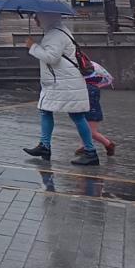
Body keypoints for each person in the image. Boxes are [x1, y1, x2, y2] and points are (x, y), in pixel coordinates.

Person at [22, 12, 97, 165]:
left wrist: (33, 46)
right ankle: (45, 146)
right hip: (62, 82)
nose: (35, 19)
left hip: (65, 83)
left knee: (76, 116)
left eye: (37, 17)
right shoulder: (57, 30)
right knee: (46, 110)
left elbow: (52, 57)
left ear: (46, 17)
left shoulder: (55, 34)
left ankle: (90, 152)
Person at [76, 68, 116, 158]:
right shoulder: (94, 87)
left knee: (91, 132)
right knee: (86, 130)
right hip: (91, 111)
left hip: (92, 113)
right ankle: (83, 147)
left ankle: (108, 144)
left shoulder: (89, 88)